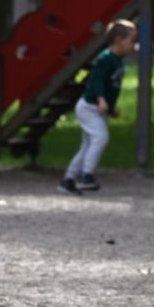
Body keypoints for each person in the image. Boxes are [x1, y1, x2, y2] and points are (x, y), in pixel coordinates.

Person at [58, 20, 138, 194]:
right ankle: (86, 176)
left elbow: (112, 87)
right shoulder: (106, 58)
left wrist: (110, 108)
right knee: (101, 138)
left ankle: (68, 180)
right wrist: (101, 99)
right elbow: (97, 80)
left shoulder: (117, 60)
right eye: (131, 40)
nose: (134, 44)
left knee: (87, 146)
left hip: (97, 109)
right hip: (89, 107)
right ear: (119, 40)